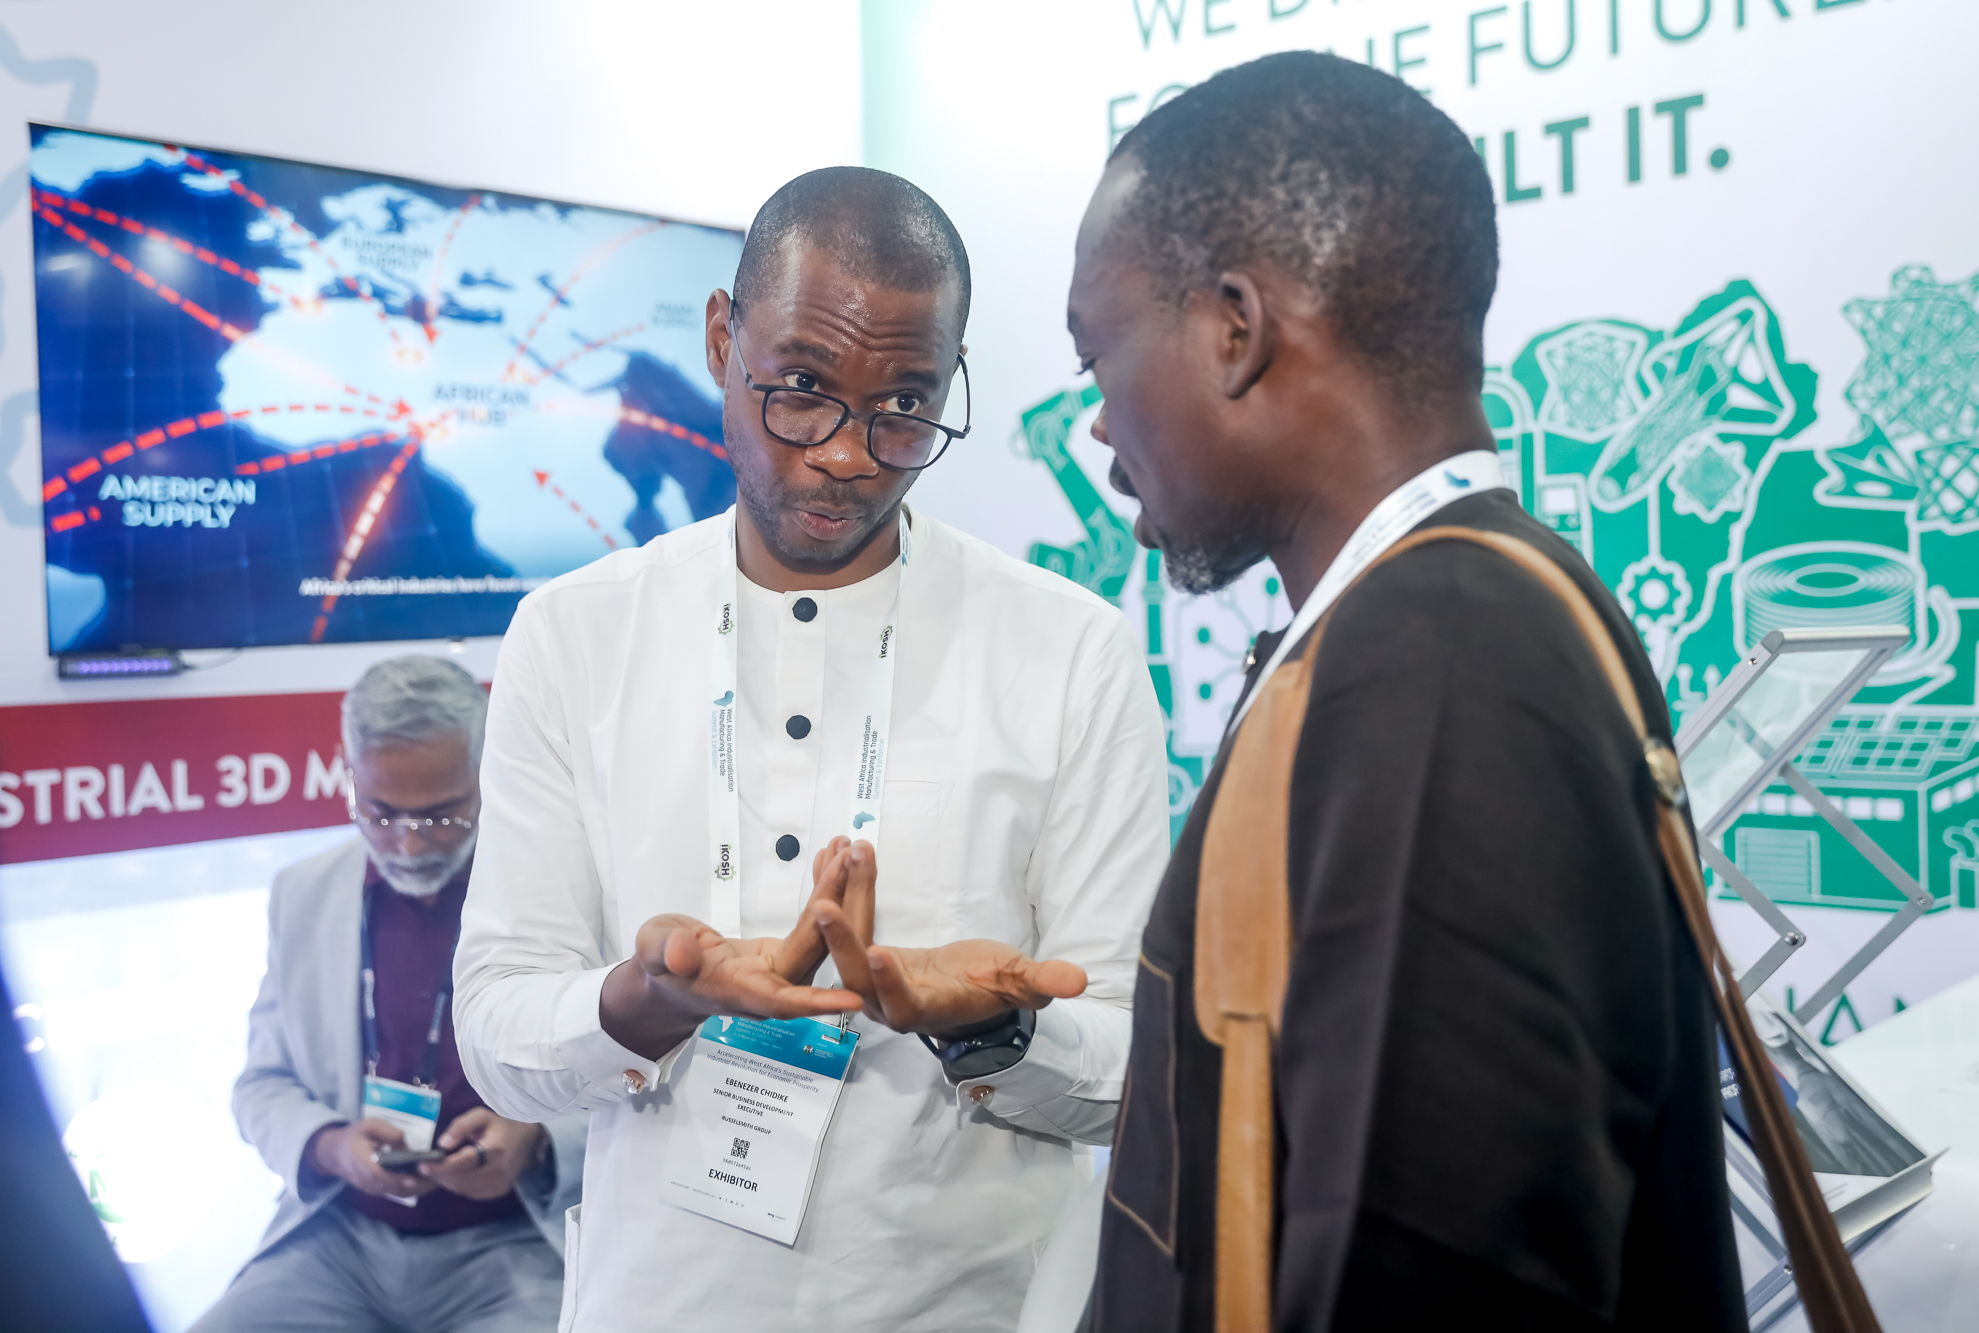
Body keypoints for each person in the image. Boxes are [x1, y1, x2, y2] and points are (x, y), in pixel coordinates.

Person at [1071, 53, 1746, 1332]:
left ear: (1233, 329)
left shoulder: (1442, 660)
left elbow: (1429, 1269)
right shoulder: (1422, 624)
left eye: (1094, 355)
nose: (1097, 421)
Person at [453, 166, 1168, 1332]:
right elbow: (495, 1033)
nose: (847, 454)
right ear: (720, 339)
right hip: (659, 1302)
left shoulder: (1068, 649)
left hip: (970, 1308)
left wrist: (988, 1024)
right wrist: (648, 997)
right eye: (800, 389)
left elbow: (1136, 1066)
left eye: (904, 405)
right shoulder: (575, 632)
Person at [194, 656, 586, 1333]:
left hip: (519, 1238)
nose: (407, 844)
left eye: (440, 816)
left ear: (488, 776)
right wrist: (332, 1147)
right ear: (349, 775)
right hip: (340, 1240)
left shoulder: (566, 890)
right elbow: (261, 1085)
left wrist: (536, 1139)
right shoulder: (304, 894)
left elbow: (641, 1080)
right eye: (379, 812)